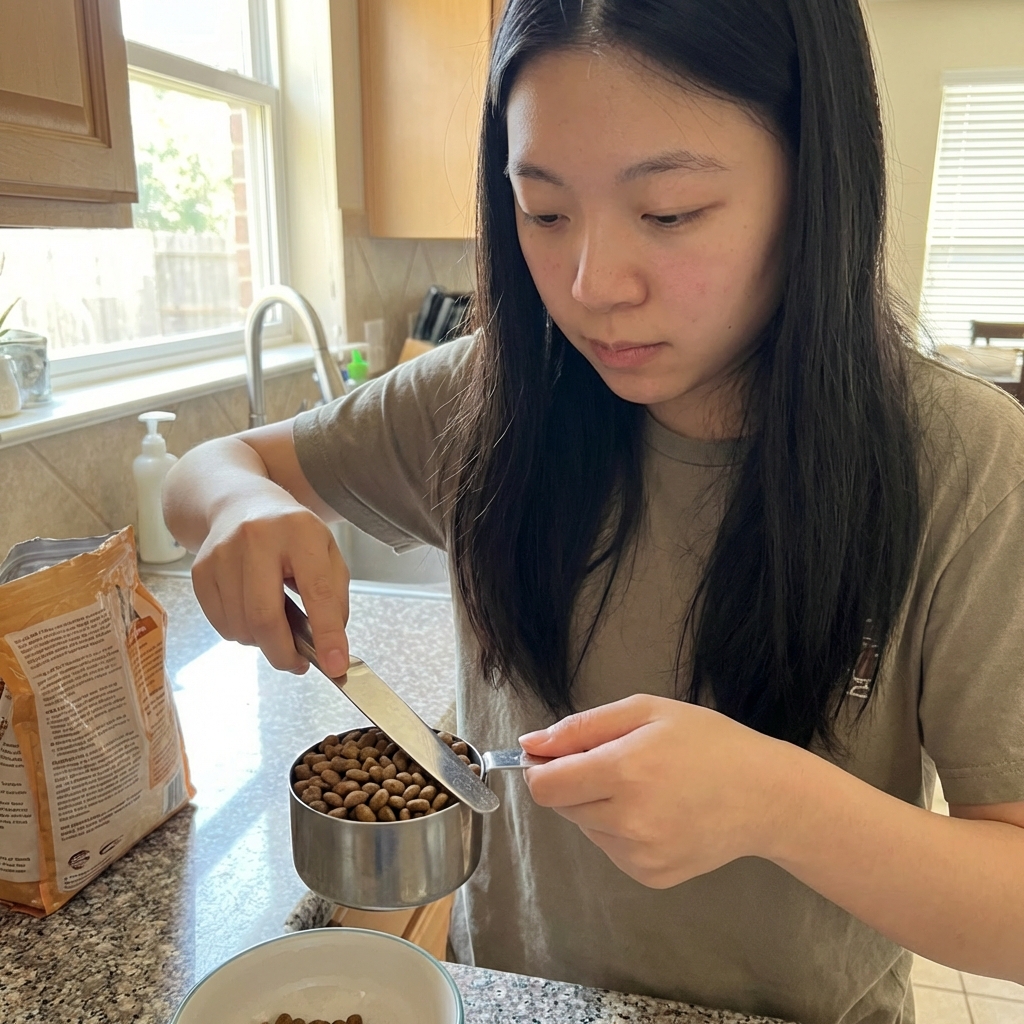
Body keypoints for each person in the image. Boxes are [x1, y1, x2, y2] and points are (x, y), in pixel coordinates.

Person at [163, 1, 1024, 1021]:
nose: (589, 286)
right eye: (543, 210)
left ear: (813, 184)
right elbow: (211, 468)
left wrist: (776, 803)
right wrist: (235, 506)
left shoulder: (961, 461)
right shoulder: (486, 395)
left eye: (667, 213)